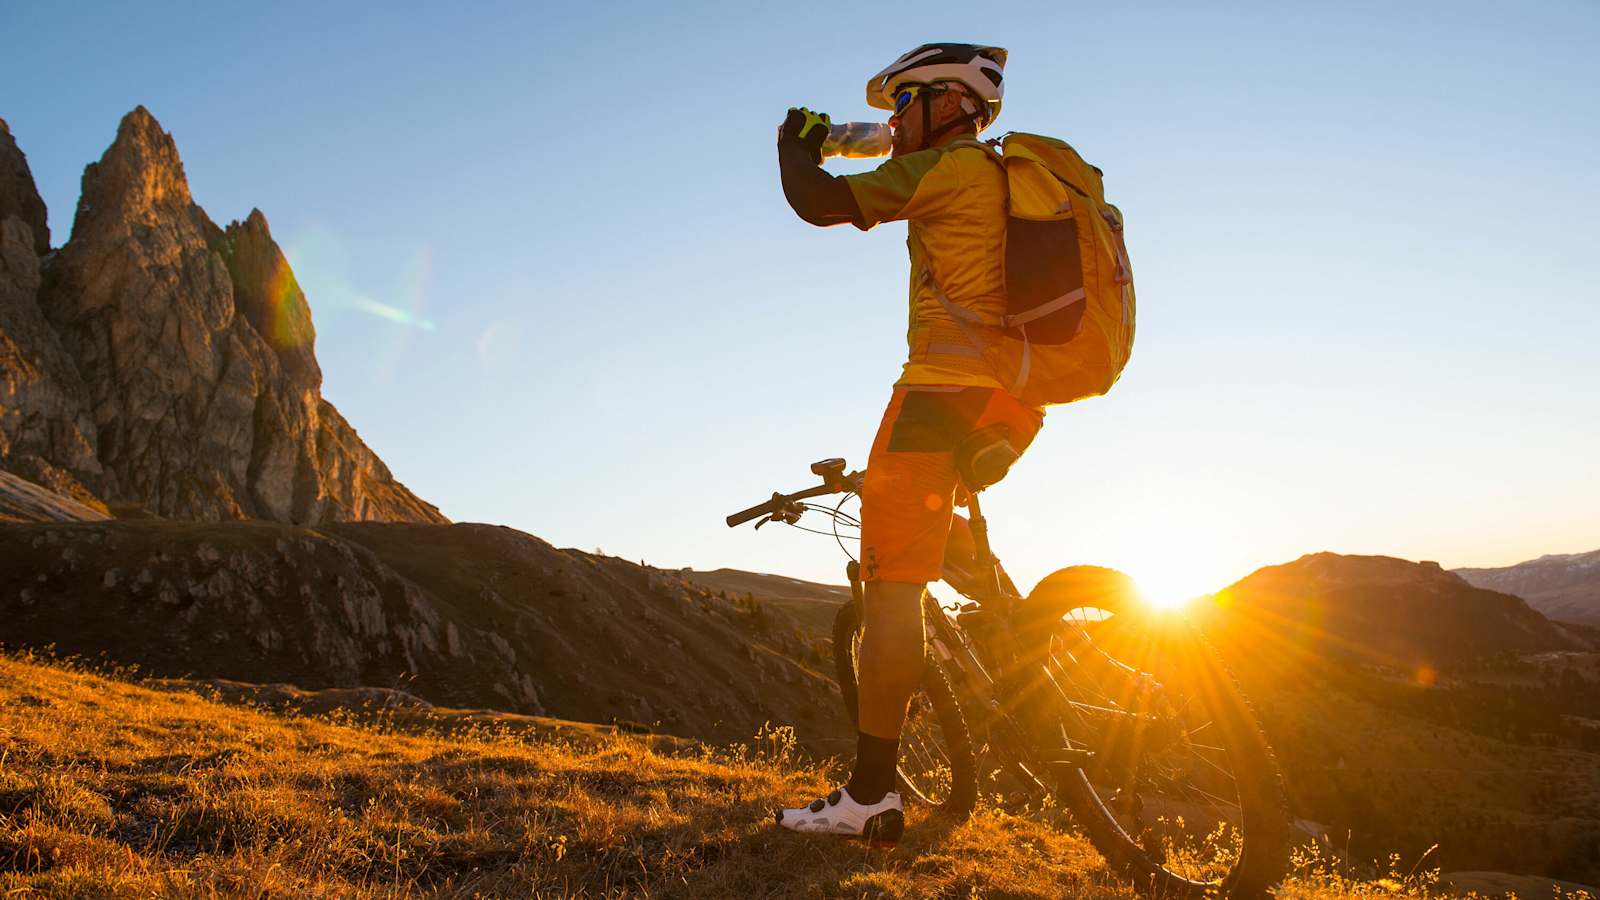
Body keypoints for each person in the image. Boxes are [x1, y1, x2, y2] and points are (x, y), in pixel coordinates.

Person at [772, 43, 1043, 844]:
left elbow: (820, 203)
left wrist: (793, 145)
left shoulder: (946, 171)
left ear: (948, 103)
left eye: (906, 102)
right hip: (1014, 399)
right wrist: (850, 132)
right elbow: (883, 140)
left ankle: (869, 798)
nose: (893, 120)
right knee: (938, 534)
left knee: (891, 595)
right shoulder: (997, 172)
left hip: (937, 396)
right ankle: (1038, 655)